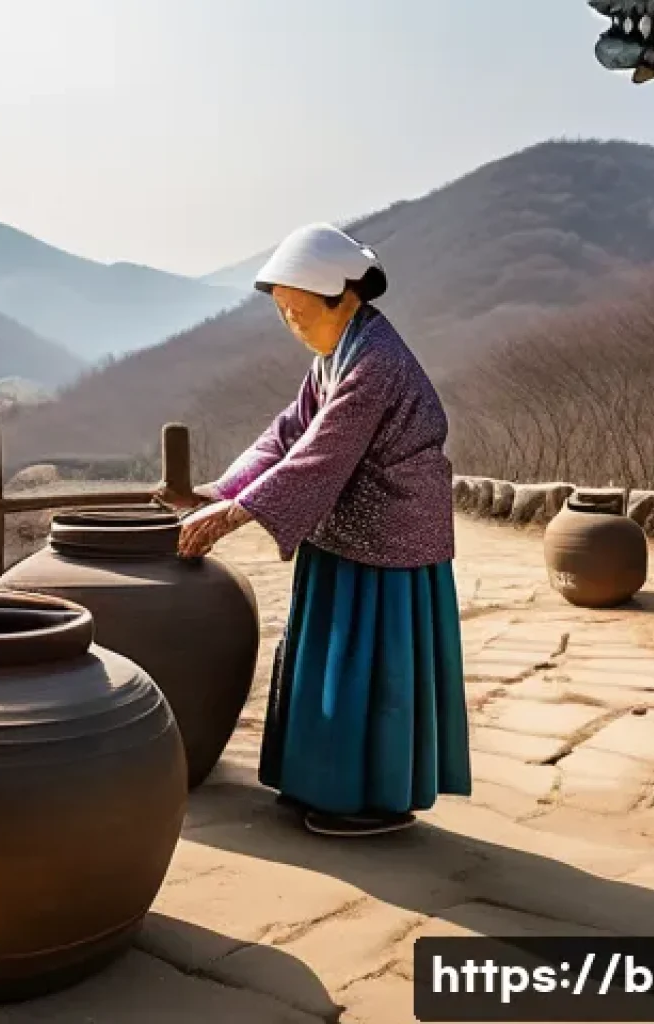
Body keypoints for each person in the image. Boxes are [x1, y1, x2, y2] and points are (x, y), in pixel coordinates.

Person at [159, 223, 471, 838]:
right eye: (284, 314)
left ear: (342, 297)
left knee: (371, 662)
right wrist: (222, 490)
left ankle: (367, 799)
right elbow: (287, 432)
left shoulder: (375, 361)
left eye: (299, 312)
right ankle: (318, 783)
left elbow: (320, 454)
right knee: (327, 653)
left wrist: (230, 515)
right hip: (345, 526)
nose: (293, 325)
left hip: (391, 535)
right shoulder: (337, 355)